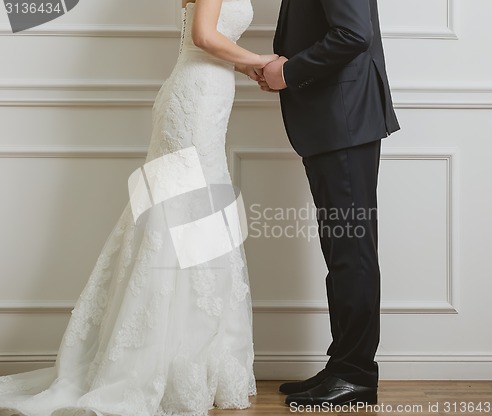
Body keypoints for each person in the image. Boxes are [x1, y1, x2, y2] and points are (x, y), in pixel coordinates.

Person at [0, 1, 277, 415]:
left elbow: (210, 42)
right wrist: (260, 61)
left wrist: (249, 68)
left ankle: (194, 360)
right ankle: (153, 363)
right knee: (176, 214)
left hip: (209, 93)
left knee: (199, 215)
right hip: (195, 97)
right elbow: (203, 36)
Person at [257, 0, 400, 407]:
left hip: (345, 118)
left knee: (350, 254)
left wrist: (287, 72)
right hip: (337, 119)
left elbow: (353, 33)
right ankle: (343, 366)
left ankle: (354, 375)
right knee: (343, 252)